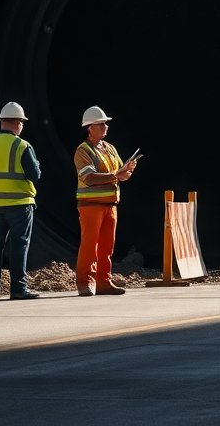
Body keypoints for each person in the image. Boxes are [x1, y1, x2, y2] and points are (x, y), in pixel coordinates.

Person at [0, 101, 41, 301]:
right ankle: (18, 288)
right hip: (20, 203)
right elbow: (35, 174)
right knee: (19, 244)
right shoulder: (22, 146)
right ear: (17, 123)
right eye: (22, 122)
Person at [74, 105, 137, 297]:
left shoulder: (109, 148)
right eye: (100, 124)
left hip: (110, 205)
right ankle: (85, 282)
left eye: (105, 124)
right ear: (90, 128)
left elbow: (118, 173)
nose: (105, 127)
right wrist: (116, 175)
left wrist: (127, 170)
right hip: (91, 206)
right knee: (89, 245)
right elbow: (89, 178)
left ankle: (103, 281)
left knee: (106, 247)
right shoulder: (82, 151)